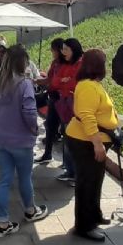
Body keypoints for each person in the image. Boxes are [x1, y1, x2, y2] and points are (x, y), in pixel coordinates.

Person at [0, 46, 50, 237]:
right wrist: (34, 129)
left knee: (4, 179)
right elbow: (29, 112)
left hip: (0, 138)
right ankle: (30, 210)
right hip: (21, 140)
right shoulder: (24, 84)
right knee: (25, 177)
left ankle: (2, 223)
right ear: (22, 62)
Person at [65, 49, 121, 242]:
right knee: (87, 182)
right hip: (86, 141)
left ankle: (94, 215)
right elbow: (87, 116)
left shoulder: (92, 84)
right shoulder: (88, 86)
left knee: (95, 180)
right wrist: (97, 143)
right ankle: (84, 225)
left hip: (91, 139)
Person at [53, 38, 84, 182]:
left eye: (66, 49)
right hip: (65, 106)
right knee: (66, 137)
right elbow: (54, 82)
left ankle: (76, 174)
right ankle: (69, 171)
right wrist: (63, 81)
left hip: (76, 108)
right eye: (62, 49)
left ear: (74, 49)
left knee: (74, 140)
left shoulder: (81, 64)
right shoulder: (65, 64)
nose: (63, 52)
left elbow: (76, 84)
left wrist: (65, 81)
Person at [35, 38, 65, 164]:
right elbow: (48, 79)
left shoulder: (69, 64)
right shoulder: (55, 63)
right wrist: (35, 80)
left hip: (64, 101)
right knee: (50, 126)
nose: (52, 52)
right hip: (53, 99)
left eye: (53, 49)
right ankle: (47, 154)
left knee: (66, 130)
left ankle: (67, 164)